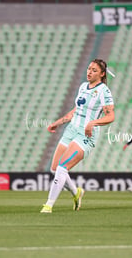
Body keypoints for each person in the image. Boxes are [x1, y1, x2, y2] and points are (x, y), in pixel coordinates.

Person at [40, 59, 115, 213]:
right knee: (54, 169)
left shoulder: (104, 91)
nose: (89, 72)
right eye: (89, 68)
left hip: (86, 134)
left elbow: (110, 116)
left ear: (102, 74)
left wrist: (92, 123)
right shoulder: (82, 87)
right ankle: (76, 192)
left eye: (94, 70)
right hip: (71, 130)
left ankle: (48, 205)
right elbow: (76, 110)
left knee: (62, 168)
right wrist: (58, 122)